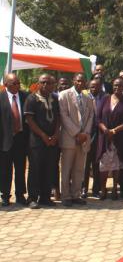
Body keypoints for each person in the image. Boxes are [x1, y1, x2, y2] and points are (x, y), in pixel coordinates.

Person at [24, 74, 60, 209]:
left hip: (52, 141)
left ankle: (45, 197)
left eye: (49, 83)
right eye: (43, 82)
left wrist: (56, 134)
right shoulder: (31, 99)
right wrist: (43, 135)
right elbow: (29, 120)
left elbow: (58, 118)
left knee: (49, 168)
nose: (45, 85)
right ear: (38, 84)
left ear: (53, 85)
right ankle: (32, 197)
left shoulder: (55, 99)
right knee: (35, 169)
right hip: (37, 141)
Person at [59, 73, 94, 207]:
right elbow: (64, 116)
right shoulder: (64, 95)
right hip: (69, 138)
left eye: (82, 81)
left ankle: (76, 194)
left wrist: (85, 133)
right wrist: (77, 133)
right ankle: (66, 196)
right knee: (66, 169)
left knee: (79, 169)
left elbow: (91, 115)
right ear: (73, 80)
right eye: (78, 80)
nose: (80, 83)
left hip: (83, 139)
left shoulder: (88, 97)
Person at [97, 78, 123, 200]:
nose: (117, 87)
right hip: (105, 137)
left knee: (117, 164)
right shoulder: (105, 98)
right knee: (104, 165)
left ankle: (114, 189)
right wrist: (105, 130)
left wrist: (114, 130)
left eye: (120, 85)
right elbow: (98, 118)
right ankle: (103, 189)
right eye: (115, 85)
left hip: (120, 138)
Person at [0, 73, 29, 206]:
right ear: (6, 84)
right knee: (5, 169)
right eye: (14, 83)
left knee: (20, 168)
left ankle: (20, 194)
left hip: (21, 139)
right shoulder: (1, 98)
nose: (18, 85)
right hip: (5, 140)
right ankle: (5, 195)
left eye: (18, 83)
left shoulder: (25, 96)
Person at [82, 79, 106, 198]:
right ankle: (84, 189)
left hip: (99, 136)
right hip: (86, 134)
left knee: (97, 165)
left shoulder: (105, 98)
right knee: (85, 165)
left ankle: (96, 190)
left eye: (96, 86)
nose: (94, 89)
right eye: (92, 87)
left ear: (100, 87)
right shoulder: (83, 97)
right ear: (88, 87)